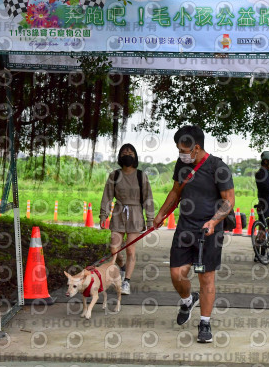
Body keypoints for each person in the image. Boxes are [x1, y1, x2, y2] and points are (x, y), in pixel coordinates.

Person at [153, 125, 234, 343]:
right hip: (185, 228)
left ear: (196, 148)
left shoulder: (219, 167)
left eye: (183, 150)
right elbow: (176, 192)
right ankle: (188, 300)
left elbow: (229, 201)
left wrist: (214, 221)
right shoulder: (182, 165)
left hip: (209, 231)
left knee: (206, 277)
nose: (181, 154)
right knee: (176, 274)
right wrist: (161, 214)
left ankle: (205, 323)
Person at [99, 143, 154, 296]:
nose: (127, 154)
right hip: (118, 213)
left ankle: (126, 282)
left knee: (130, 249)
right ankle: (122, 266)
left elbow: (148, 198)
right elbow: (107, 197)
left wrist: (150, 220)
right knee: (114, 248)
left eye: (130, 152)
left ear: (135, 156)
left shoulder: (141, 175)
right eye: (124, 152)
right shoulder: (114, 175)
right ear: (119, 156)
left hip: (135, 214)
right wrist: (103, 215)